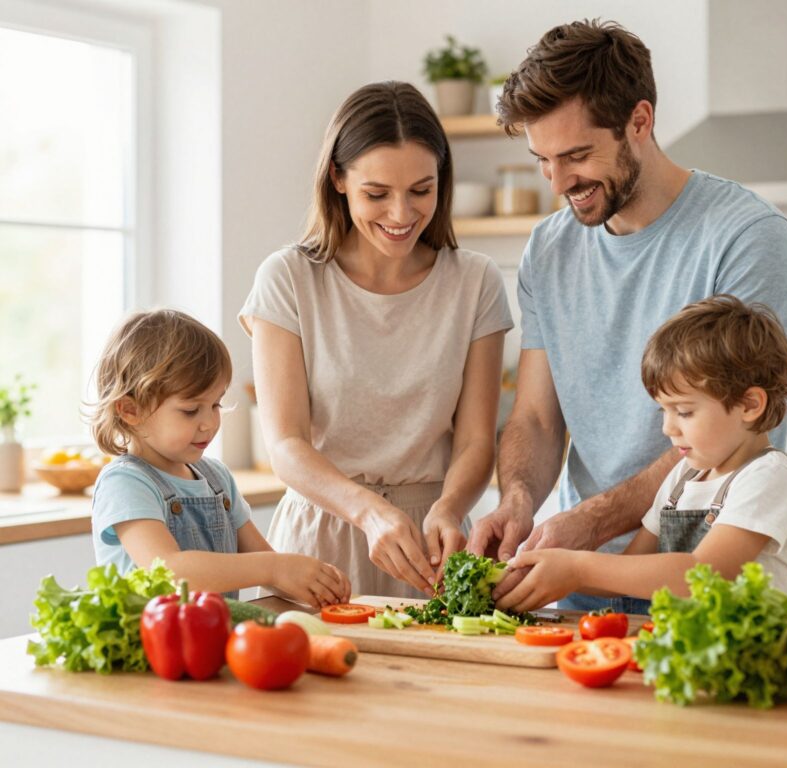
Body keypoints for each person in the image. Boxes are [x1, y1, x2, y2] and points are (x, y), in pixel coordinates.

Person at [467, 19, 787, 613]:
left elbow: (748, 426)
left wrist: (589, 529)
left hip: (700, 587)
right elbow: (538, 419)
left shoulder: (747, 236)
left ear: (640, 122)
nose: (559, 182)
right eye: (542, 159)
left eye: (576, 155)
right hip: (582, 585)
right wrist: (517, 502)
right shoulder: (548, 250)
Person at [239, 81, 512, 599]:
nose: (401, 214)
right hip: (321, 536)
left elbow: (477, 439)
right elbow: (287, 444)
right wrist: (367, 510)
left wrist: (450, 507)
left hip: (433, 542)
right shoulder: (288, 278)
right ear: (338, 179)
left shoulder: (475, 282)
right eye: (377, 194)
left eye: (421, 190)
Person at [495, 296, 787, 612]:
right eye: (664, 410)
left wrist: (578, 568)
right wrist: (533, 571)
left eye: (684, 412)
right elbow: (630, 569)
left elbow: (703, 574)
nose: (667, 428)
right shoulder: (682, 477)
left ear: (750, 405)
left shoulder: (768, 476)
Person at [89, 309, 350, 607]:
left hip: (213, 645)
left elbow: (268, 568)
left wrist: (311, 583)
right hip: (146, 651)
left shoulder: (217, 479)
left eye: (216, 404)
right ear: (130, 410)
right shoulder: (124, 483)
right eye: (190, 410)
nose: (210, 423)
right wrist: (275, 567)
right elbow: (168, 572)